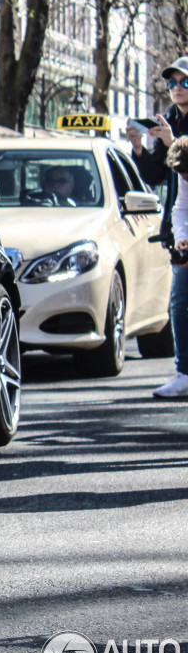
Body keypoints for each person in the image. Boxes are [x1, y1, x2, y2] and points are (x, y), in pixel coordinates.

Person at [127, 56, 188, 398]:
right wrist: (138, 146)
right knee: (179, 300)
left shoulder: (174, 130)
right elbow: (155, 175)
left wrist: (171, 141)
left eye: (185, 82)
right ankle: (184, 372)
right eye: (172, 83)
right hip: (182, 219)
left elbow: (182, 158)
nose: (177, 89)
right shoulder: (169, 121)